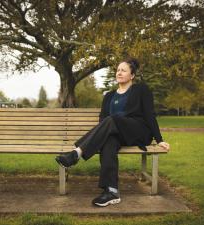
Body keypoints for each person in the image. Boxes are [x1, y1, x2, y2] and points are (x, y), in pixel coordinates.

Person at [55, 57, 170, 207]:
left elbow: (149, 114)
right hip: (117, 132)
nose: (119, 73)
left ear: (132, 75)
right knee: (108, 141)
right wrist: (101, 135)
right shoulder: (109, 96)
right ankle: (111, 191)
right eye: (117, 70)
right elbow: (102, 120)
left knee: (111, 119)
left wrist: (159, 139)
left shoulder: (141, 89)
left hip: (138, 131)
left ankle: (77, 153)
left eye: (123, 70)